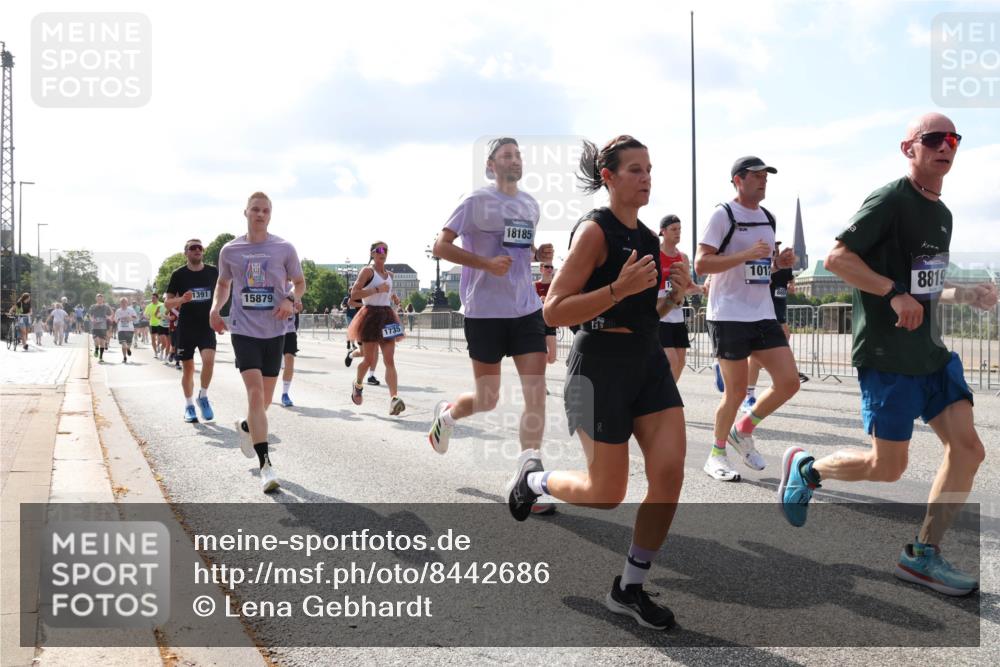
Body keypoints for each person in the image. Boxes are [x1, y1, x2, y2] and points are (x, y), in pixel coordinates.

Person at [780, 112, 997, 596]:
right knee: (889, 467)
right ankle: (808, 470)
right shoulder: (889, 199)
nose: (946, 146)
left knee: (968, 449)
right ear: (909, 149)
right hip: (887, 355)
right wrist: (892, 292)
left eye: (954, 139)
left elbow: (927, 289)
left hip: (932, 355)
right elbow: (837, 257)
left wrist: (969, 297)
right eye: (934, 138)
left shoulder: (943, 214)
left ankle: (922, 554)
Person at [529, 135, 691, 630]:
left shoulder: (645, 238)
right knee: (606, 492)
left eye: (649, 169)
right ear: (610, 177)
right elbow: (553, 309)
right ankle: (534, 480)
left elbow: (646, 312)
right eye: (635, 170)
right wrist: (619, 287)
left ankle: (629, 587)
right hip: (598, 366)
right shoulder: (595, 233)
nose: (646, 178)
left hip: (646, 362)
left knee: (669, 473)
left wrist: (671, 296)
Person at [427, 137, 556, 517]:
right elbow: (440, 246)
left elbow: (519, 250)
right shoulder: (474, 202)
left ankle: (528, 480)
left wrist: (538, 254)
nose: (514, 159)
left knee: (536, 392)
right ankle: (446, 417)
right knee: (488, 398)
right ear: (491, 164)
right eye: (506, 155)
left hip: (526, 308)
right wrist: (484, 265)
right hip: (484, 311)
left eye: (518, 154)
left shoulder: (530, 205)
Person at [694, 156, 799, 482]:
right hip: (728, 314)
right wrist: (743, 255)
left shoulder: (768, 217)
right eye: (756, 176)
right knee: (735, 393)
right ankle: (717, 454)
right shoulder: (722, 214)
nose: (763, 181)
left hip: (762, 312)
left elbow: (760, 268)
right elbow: (701, 263)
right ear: (738, 180)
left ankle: (743, 429)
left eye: (766, 176)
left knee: (789, 382)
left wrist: (778, 264)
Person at [210, 192, 305, 493]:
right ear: (246, 212)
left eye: (265, 210)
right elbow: (223, 283)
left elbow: (299, 283)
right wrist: (215, 308)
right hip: (243, 329)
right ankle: (266, 466)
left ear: (270, 214)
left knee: (264, 402)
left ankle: (248, 426)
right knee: (254, 396)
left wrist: (291, 299)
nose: (260, 214)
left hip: (276, 329)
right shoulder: (231, 250)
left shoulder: (284, 248)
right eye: (255, 209)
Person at [742, 242, 808, 413]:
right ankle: (747, 393)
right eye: (773, 248)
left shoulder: (784, 267)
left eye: (777, 247)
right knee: (755, 358)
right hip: (765, 315)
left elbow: (790, 279)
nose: (776, 250)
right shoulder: (762, 265)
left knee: (781, 340)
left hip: (779, 312)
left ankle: (780, 376)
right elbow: (750, 285)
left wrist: (791, 286)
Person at [347, 241, 406, 416]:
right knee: (369, 360)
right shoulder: (367, 271)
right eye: (379, 249)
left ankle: (394, 399)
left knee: (390, 360)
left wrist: (393, 297)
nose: (383, 252)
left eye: (386, 249)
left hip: (387, 317)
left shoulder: (390, 275)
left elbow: (387, 291)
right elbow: (354, 294)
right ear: (372, 253)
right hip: (370, 316)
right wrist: (376, 289)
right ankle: (358, 384)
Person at [165, 239, 220, 423]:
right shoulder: (178, 274)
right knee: (188, 369)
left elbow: (224, 292)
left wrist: (218, 313)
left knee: (209, 361)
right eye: (192, 248)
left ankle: (203, 396)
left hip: (206, 326)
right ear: (186, 253)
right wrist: (181, 300)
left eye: (200, 247)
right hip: (186, 328)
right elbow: (167, 303)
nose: (197, 250)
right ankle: (189, 405)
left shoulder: (213, 272)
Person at [657, 215, 700, 381]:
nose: (678, 233)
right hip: (660, 313)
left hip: (677, 314)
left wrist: (701, 289)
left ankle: (668, 395)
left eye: (680, 229)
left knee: (681, 361)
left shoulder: (683, 257)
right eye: (674, 229)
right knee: (671, 360)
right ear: (663, 232)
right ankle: (664, 396)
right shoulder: (655, 253)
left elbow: (688, 286)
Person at [281, 281, 303, 408]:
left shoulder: (293, 286)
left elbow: (300, 307)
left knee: (289, 359)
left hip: (289, 330)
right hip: (270, 330)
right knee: (268, 365)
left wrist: (295, 307)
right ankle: (261, 391)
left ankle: (285, 393)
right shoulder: (269, 282)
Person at [534, 262, 558, 364]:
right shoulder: (535, 285)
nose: (549, 269)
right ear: (541, 269)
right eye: (547, 266)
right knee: (539, 355)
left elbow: (559, 301)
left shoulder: (555, 284)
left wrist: (547, 300)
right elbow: (530, 305)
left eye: (551, 267)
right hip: (537, 322)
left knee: (552, 358)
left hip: (550, 322)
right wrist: (539, 300)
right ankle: (539, 376)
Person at [88, 294, 113, 363]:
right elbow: (89, 315)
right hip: (95, 327)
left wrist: (108, 317)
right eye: (98, 299)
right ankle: (96, 350)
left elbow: (111, 314)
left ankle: (101, 357)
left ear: (103, 299)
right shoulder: (92, 306)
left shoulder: (106, 307)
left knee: (102, 343)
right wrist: (92, 319)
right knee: (96, 341)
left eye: (101, 299)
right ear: (96, 299)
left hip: (103, 327)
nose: (99, 300)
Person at [114, 297, 137, 363]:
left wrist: (130, 318)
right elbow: (115, 320)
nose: (123, 303)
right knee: (123, 343)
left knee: (128, 344)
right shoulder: (118, 311)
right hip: (121, 329)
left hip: (130, 329)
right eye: (122, 302)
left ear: (127, 303)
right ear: (120, 303)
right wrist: (118, 320)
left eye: (125, 302)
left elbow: (135, 317)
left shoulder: (131, 310)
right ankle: (124, 357)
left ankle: (128, 348)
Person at [144, 294, 167, 359]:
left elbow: (166, 312)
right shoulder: (149, 306)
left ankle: (158, 346)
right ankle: (155, 352)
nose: (152, 299)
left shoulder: (162, 304)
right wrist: (147, 317)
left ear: (157, 298)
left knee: (159, 339)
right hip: (152, 324)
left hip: (160, 324)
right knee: (153, 339)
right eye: (152, 298)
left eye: (153, 298)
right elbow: (145, 314)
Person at [342, 294, 360, 364]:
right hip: (349, 315)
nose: (352, 292)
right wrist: (344, 307)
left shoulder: (357, 297)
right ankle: (349, 343)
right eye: (351, 291)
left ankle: (353, 344)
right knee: (350, 329)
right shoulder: (346, 298)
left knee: (355, 330)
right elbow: (342, 305)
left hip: (355, 315)